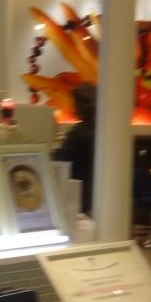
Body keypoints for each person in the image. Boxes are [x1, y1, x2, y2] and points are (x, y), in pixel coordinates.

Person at [54, 82, 95, 216]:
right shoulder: (107, 129)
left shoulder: (77, 134)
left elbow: (61, 158)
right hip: (99, 193)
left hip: (81, 196)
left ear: (79, 107)